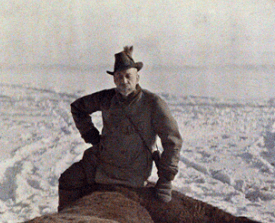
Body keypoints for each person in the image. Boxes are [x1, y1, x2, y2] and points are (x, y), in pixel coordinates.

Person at [58, 46, 183, 210]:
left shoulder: (153, 103)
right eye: (119, 77)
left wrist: (166, 178)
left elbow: (172, 141)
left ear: (137, 77)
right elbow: (78, 108)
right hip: (101, 162)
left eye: (128, 76)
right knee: (68, 179)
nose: (123, 81)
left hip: (131, 169)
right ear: (114, 79)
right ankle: (67, 222)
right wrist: (91, 135)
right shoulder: (106, 98)